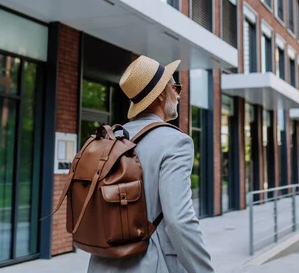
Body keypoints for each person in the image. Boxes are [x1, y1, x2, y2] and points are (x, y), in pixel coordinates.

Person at [88, 55, 215, 273]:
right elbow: (179, 221)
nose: (177, 94)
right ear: (159, 95)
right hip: (149, 264)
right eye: (174, 87)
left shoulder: (113, 138)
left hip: (102, 264)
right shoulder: (176, 142)